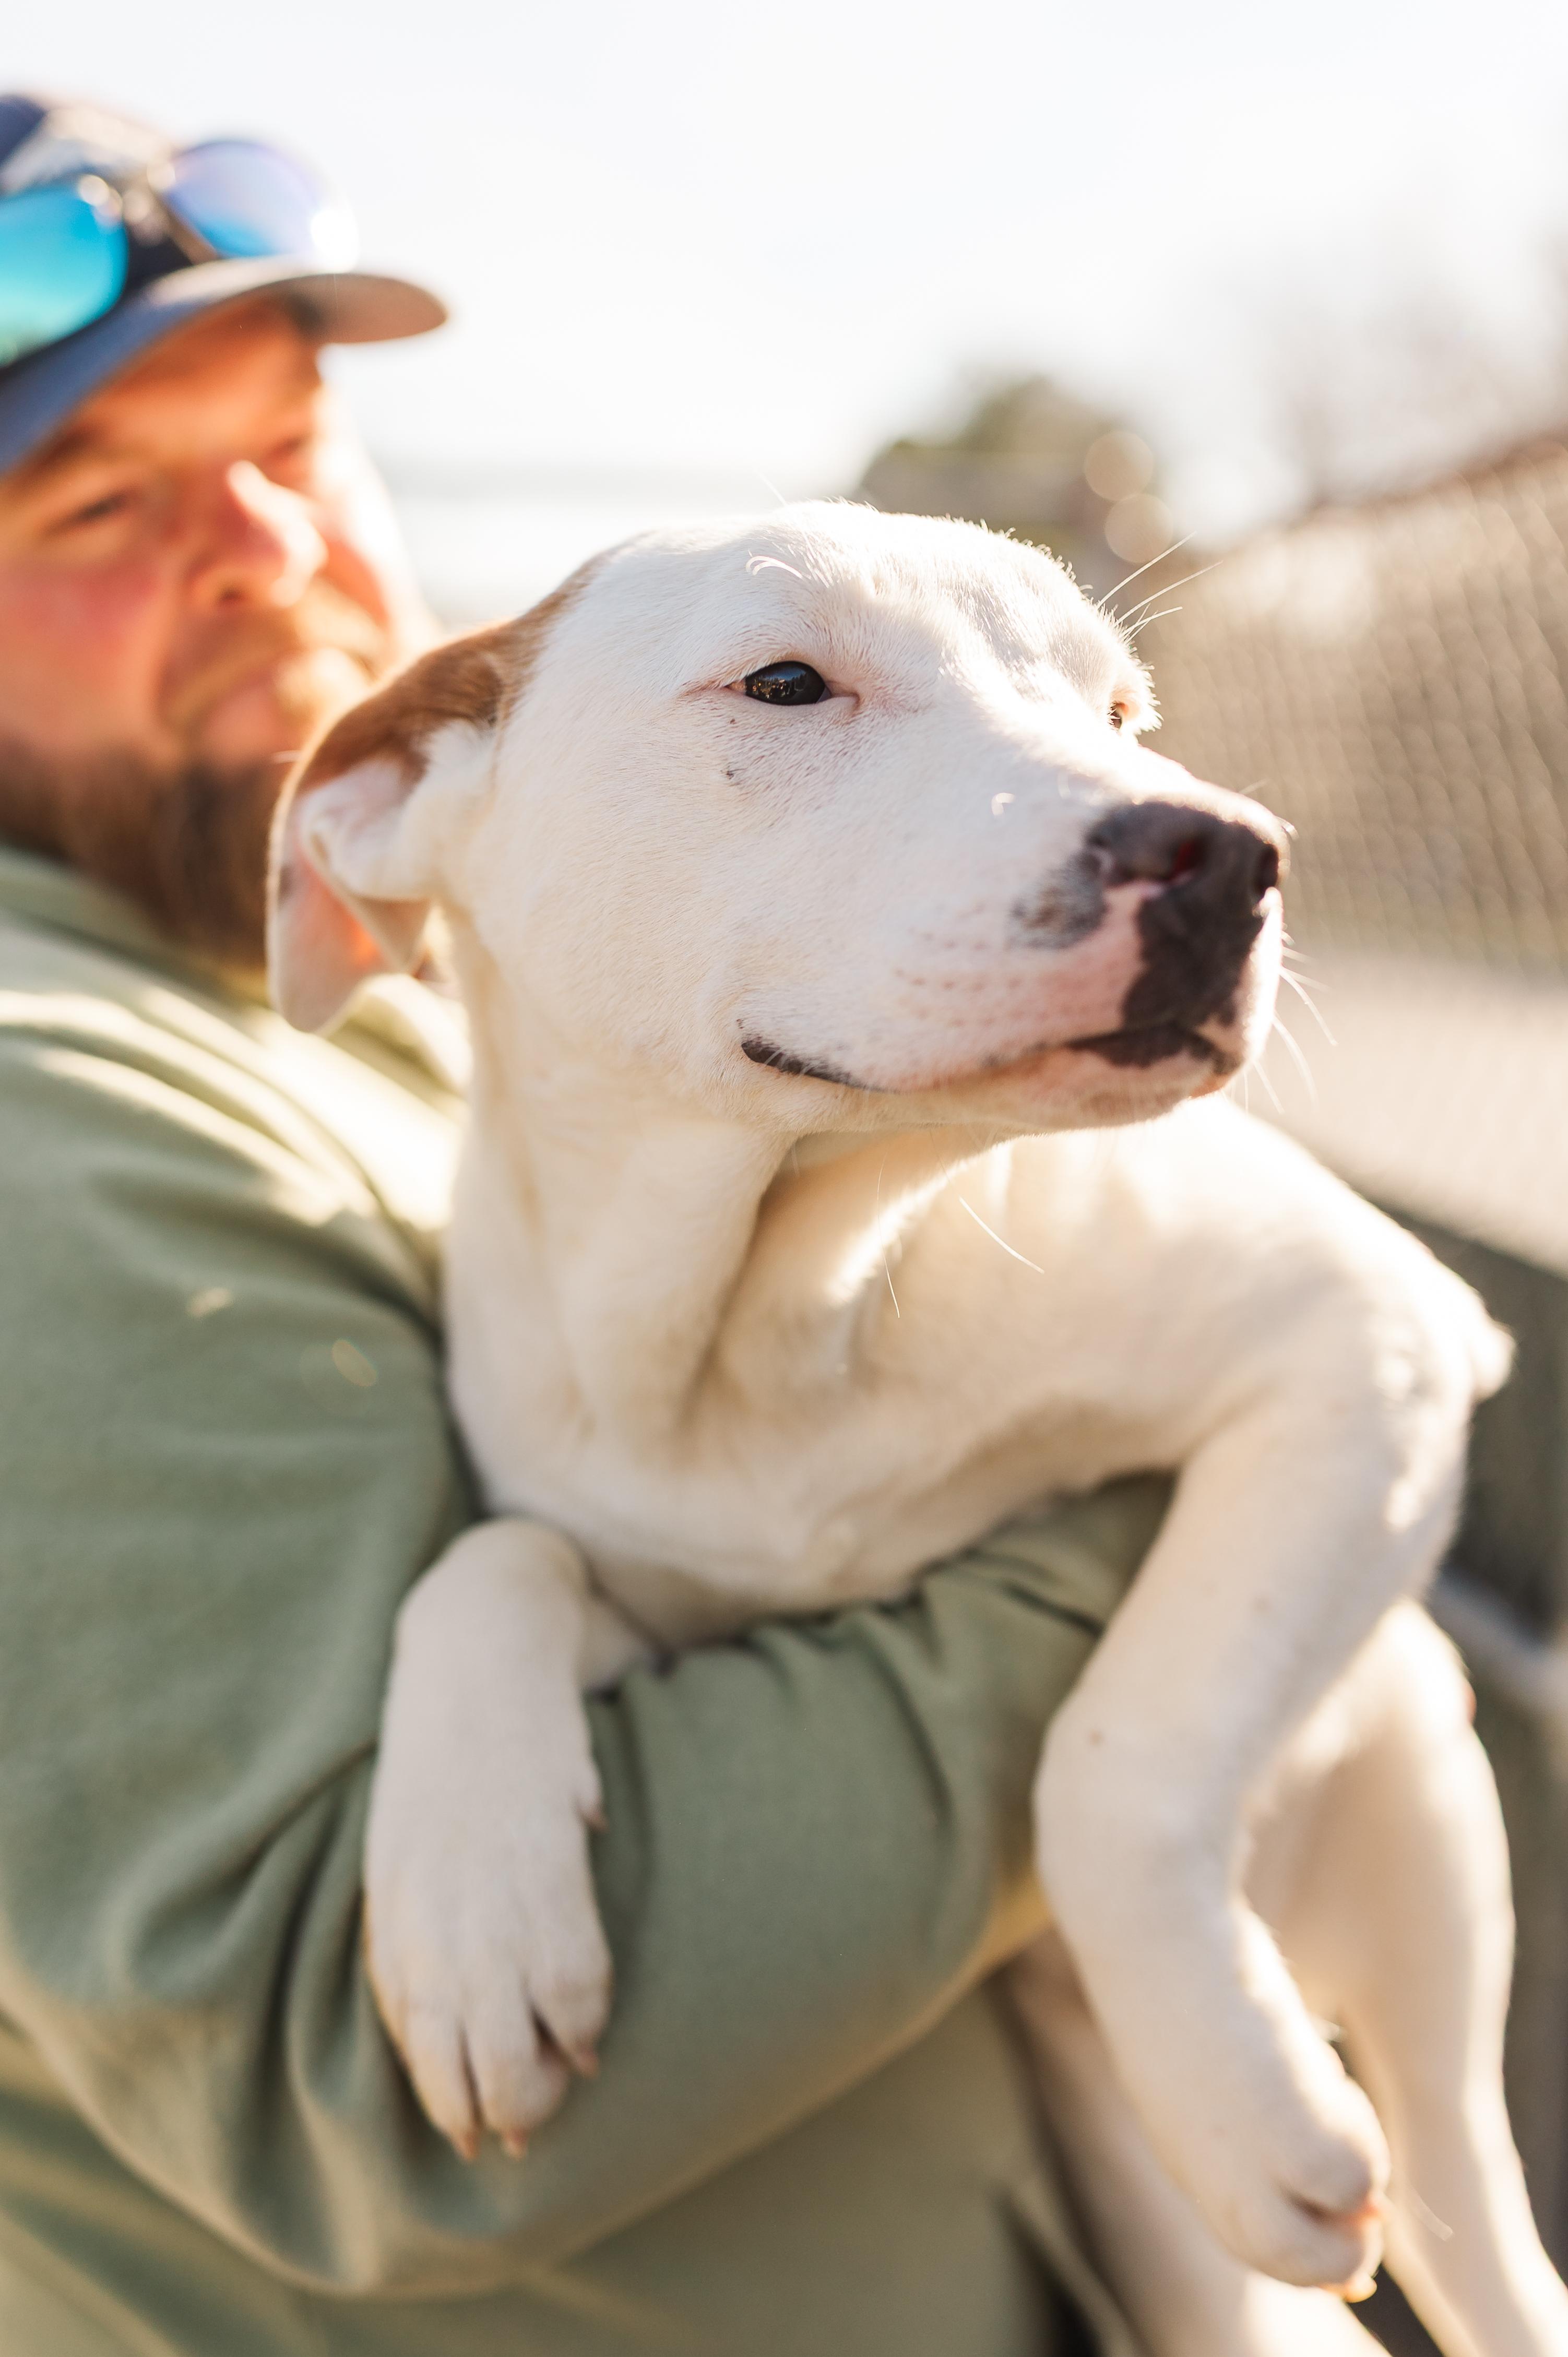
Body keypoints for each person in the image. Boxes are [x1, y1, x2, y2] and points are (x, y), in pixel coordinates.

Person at [0, 93, 1168, 2357]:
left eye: (293, 440)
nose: (258, 542)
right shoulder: (41, 1104)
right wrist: (1152, 1505)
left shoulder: (372, 983)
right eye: (101, 501)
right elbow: (374, 2079)